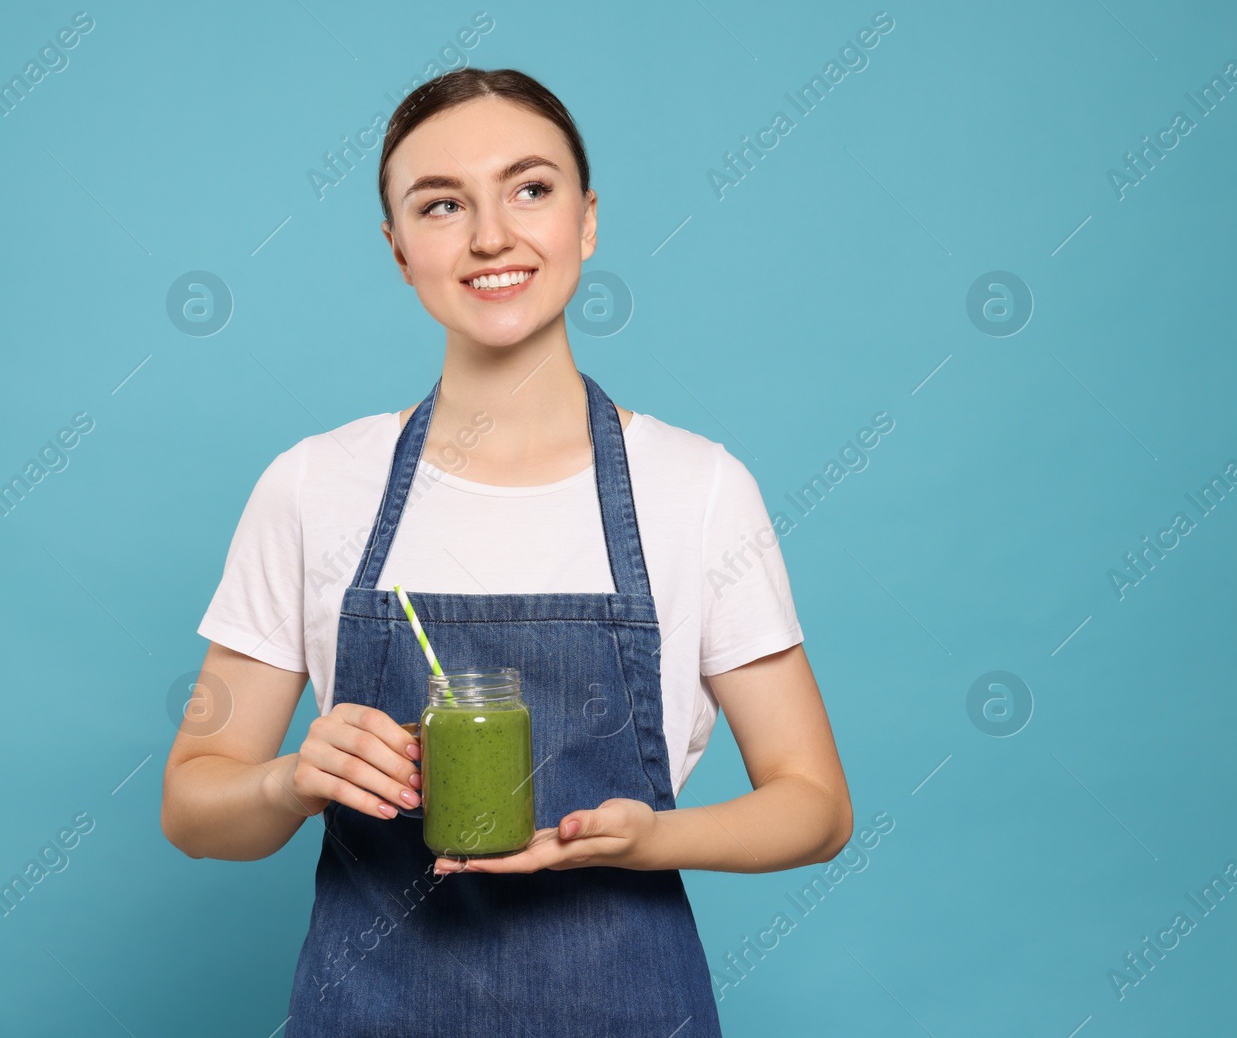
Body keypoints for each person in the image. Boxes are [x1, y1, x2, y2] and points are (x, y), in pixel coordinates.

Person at [159, 67, 852, 1037]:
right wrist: (288, 778)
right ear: (399, 249)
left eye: (530, 188)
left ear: (588, 218)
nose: (491, 234)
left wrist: (654, 838)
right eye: (441, 204)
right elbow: (192, 801)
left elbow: (815, 803)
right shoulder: (312, 486)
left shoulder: (697, 489)